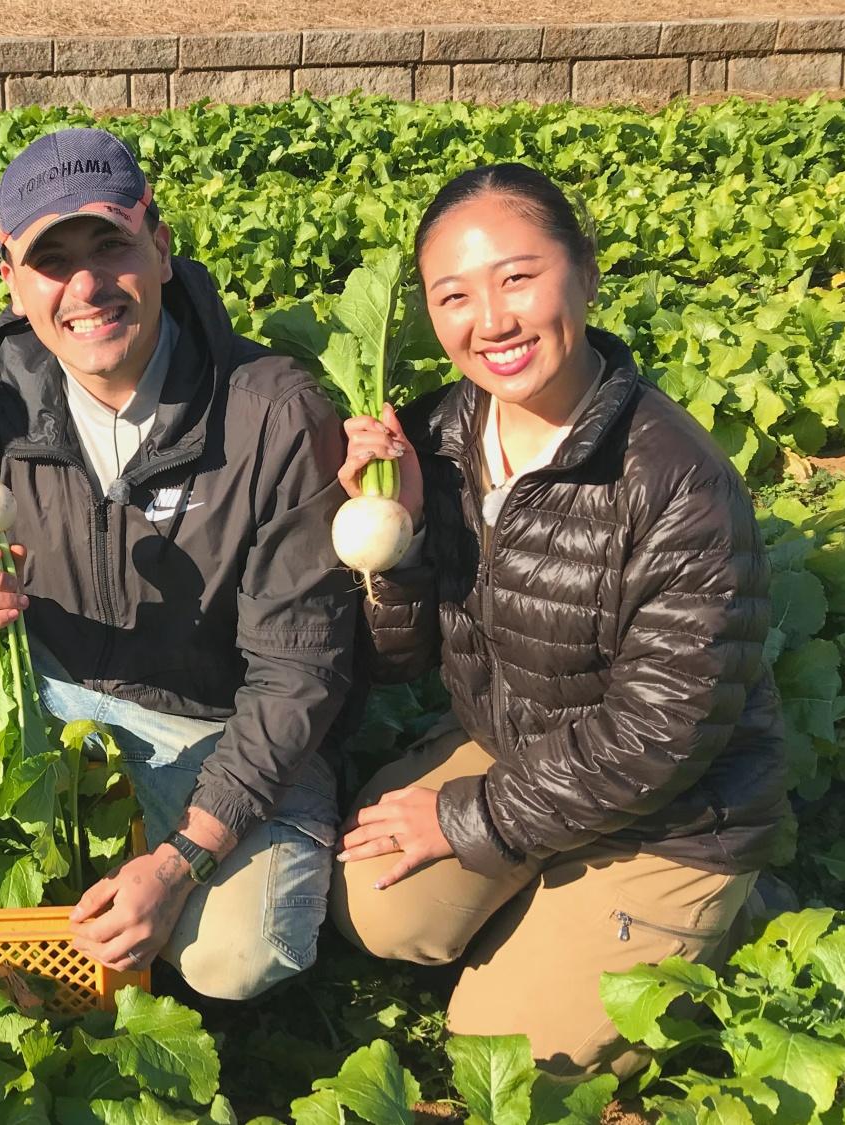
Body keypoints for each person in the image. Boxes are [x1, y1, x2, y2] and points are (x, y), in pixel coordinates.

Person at [0, 128, 359, 1000]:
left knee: (238, 959)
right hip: (50, 676)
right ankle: (98, 781)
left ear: (161, 247)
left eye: (110, 246)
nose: (86, 286)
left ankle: (190, 829)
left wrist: (180, 860)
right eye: (52, 261)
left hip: (209, 721)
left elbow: (298, 675)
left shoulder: (273, 414)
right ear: (12, 280)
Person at [328, 163, 788, 1077]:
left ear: (585, 272)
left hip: (678, 812)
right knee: (369, 906)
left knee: (509, 1055)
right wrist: (398, 544)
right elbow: (400, 661)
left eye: (517, 278)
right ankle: (552, 888)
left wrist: (472, 815)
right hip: (521, 748)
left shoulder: (678, 480)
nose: (490, 320)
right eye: (454, 296)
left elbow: (664, 732)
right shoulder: (439, 438)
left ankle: (727, 913)